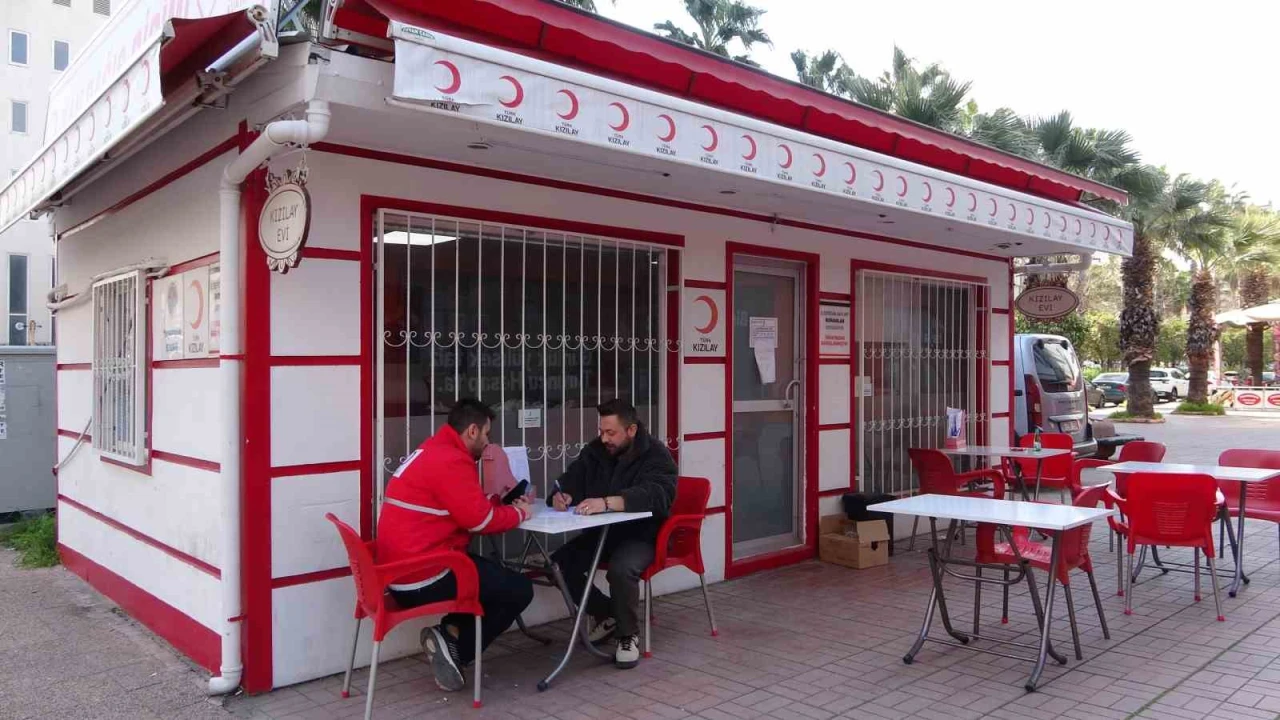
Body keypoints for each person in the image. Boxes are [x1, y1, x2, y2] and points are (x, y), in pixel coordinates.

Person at [376, 398, 534, 692]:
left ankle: (450, 631)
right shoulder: (452, 461)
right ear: (472, 430)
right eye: (486, 434)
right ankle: (455, 648)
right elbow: (481, 523)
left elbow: (461, 509)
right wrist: (521, 513)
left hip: (399, 573)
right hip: (424, 576)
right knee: (519, 588)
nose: (488, 442)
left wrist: (494, 504)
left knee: (492, 576)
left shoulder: (431, 450)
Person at [549, 398, 677, 669]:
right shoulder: (596, 451)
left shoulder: (655, 453)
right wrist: (562, 495)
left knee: (621, 570)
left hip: (642, 534)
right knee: (558, 564)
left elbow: (659, 494)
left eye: (611, 432)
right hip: (602, 534)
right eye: (601, 431)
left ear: (631, 430)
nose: (604, 438)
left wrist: (608, 502)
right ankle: (606, 613)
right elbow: (571, 479)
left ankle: (627, 636)